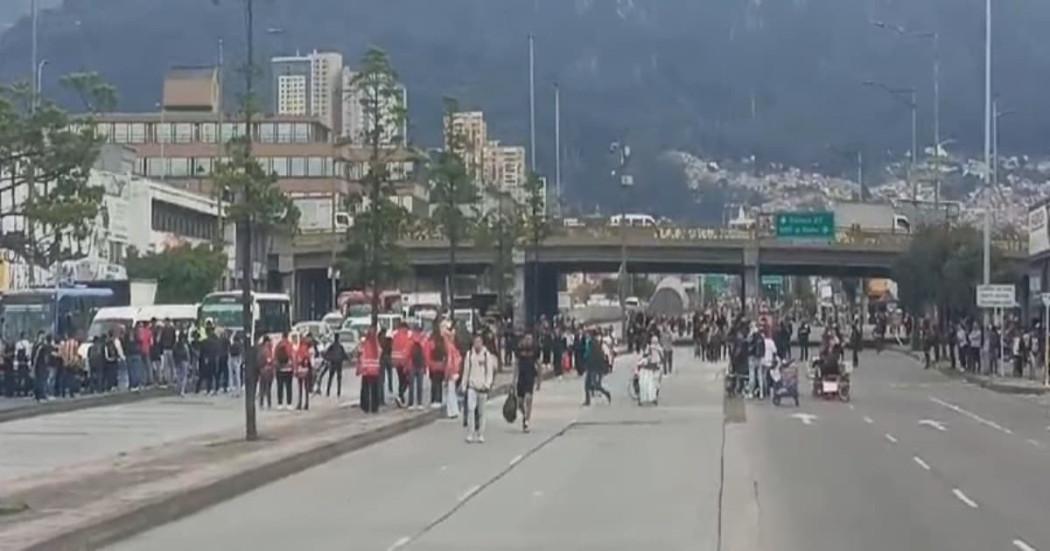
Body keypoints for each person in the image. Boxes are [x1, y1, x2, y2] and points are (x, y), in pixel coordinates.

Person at [460, 334, 496, 443]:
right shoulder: (469, 354)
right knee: (471, 410)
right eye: (475, 342)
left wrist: (487, 384)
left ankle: (480, 433)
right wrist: (464, 384)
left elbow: (489, 372)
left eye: (479, 342)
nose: (477, 344)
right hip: (472, 386)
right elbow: (466, 370)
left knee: (481, 412)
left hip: (482, 387)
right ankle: (470, 433)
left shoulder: (486, 355)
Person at [516, 332, 538, 432]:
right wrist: (513, 380)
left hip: (530, 377)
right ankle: (524, 414)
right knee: (520, 402)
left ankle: (526, 422)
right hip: (521, 377)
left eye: (530, 339)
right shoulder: (520, 349)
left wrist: (539, 381)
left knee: (528, 398)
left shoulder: (535, 349)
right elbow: (516, 364)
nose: (529, 341)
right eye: (527, 338)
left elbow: (539, 364)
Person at [584, 330, 612, 405]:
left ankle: (606, 393)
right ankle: (587, 400)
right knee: (587, 384)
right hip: (592, 366)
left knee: (595, 384)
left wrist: (586, 358)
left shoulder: (592, 343)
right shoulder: (595, 342)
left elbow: (589, 354)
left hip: (593, 366)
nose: (586, 335)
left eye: (587, 334)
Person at [358, 329, 382, 414]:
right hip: (375, 370)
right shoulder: (376, 345)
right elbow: (380, 352)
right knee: (374, 389)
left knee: (365, 389)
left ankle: (366, 407)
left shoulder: (364, 344)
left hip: (366, 370)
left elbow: (360, 353)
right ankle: (374, 407)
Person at [637, 334, 662, 405]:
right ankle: (647, 399)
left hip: (649, 368)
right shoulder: (648, 349)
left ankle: (650, 399)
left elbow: (653, 358)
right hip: (648, 369)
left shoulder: (652, 348)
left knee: (648, 384)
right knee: (647, 384)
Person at [274, 332, 295, 410]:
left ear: (282, 336)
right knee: (289, 387)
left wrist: (276, 367)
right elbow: (292, 356)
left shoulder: (278, 345)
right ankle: (289, 403)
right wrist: (293, 367)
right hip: (288, 369)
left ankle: (280, 403)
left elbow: (275, 356)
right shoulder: (290, 345)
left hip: (280, 369)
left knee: (280, 387)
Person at [324, 333, 347, 398]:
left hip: (333, 363)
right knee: (339, 379)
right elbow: (344, 355)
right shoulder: (340, 346)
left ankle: (328, 392)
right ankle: (338, 392)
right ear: (338, 338)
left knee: (330, 378)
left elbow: (326, 353)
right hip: (339, 363)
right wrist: (347, 359)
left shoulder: (332, 346)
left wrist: (327, 359)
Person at [407, 334, 426, 410]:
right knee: (420, 386)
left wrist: (406, 365)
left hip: (412, 366)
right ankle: (419, 403)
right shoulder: (422, 342)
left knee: (411, 386)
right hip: (420, 366)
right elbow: (425, 355)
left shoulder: (410, 342)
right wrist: (425, 366)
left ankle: (411, 404)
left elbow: (407, 354)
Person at [296, 335, 313, 411]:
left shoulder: (299, 349)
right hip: (306, 370)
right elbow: (308, 359)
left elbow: (296, 359)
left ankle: (299, 403)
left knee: (300, 388)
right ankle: (306, 403)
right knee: (306, 387)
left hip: (300, 369)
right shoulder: (306, 349)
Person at [256, 335, 274, 408]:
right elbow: (269, 360)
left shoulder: (260, 349)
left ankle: (261, 403)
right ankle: (269, 403)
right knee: (268, 388)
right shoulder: (267, 350)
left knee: (262, 387)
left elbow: (258, 360)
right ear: (267, 342)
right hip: (268, 370)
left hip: (262, 370)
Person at [173, 331, 191, 396]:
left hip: (177, 361)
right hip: (184, 361)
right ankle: (182, 390)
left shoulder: (175, 345)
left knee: (179, 376)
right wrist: (189, 363)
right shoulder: (185, 345)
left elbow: (173, 354)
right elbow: (188, 354)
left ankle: (178, 389)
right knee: (184, 376)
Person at [228, 330, 244, 397]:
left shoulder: (232, 344)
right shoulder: (240, 344)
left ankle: (231, 389)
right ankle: (239, 389)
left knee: (231, 375)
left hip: (231, 359)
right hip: (237, 360)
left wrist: (233, 333)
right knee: (238, 376)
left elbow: (229, 351)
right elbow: (241, 353)